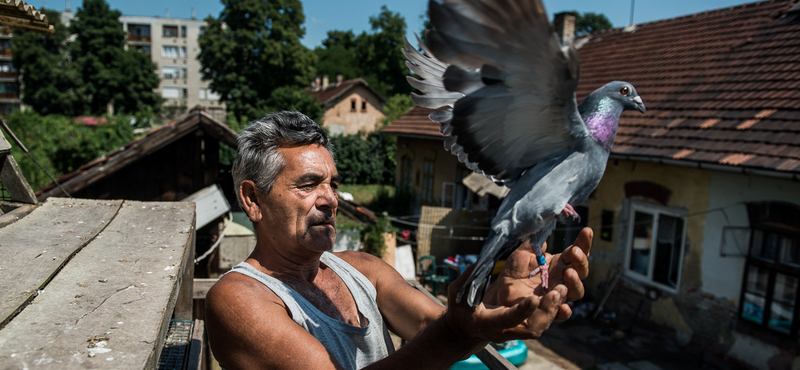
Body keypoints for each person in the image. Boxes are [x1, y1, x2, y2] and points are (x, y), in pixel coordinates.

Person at [205, 111, 593, 370]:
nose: (330, 198)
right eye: (308, 185)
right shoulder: (238, 299)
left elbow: (434, 323)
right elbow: (450, 333)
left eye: (333, 184)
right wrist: (462, 329)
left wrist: (494, 303)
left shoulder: (362, 268)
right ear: (253, 200)